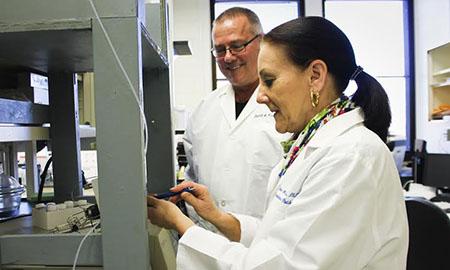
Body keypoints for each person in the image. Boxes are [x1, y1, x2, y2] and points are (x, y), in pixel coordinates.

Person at [148, 16, 409, 269]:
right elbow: (276, 237)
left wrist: (182, 225)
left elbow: (280, 264)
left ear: (315, 75)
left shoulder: (351, 157)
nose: (260, 96)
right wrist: (218, 218)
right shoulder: (309, 145)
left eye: (269, 81)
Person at [182, 7, 289, 226]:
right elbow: (193, 179)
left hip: (267, 244)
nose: (229, 57)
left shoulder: (289, 106)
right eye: (220, 50)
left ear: (261, 41)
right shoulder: (203, 111)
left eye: (237, 46)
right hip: (210, 243)